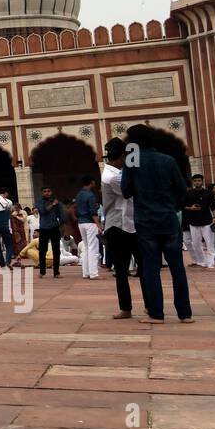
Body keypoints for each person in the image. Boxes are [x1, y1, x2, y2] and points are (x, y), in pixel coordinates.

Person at [120, 125, 192, 323]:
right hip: (168, 219)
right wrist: (172, 207)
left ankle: (156, 313)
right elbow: (182, 190)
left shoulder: (132, 161)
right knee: (177, 267)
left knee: (151, 268)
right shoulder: (167, 160)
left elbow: (125, 191)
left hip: (145, 221)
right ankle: (185, 314)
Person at [100, 139, 138, 319]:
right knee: (122, 270)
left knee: (139, 268)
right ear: (123, 156)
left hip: (128, 224)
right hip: (119, 226)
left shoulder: (114, 172)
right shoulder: (113, 176)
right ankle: (126, 308)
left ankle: (137, 307)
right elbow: (130, 192)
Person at [182, 174, 215, 270]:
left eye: (199, 180)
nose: (197, 182)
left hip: (207, 221)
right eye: (196, 181)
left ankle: (210, 263)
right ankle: (201, 261)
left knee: (209, 243)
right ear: (193, 182)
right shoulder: (189, 193)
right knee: (196, 243)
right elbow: (183, 206)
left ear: (202, 181)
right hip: (193, 222)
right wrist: (191, 208)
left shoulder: (208, 193)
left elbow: (213, 207)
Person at [75, 176, 101, 280]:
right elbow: (93, 212)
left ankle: (85, 272)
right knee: (93, 248)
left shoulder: (79, 194)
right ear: (92, 182)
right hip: (90, 222)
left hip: (81, 222)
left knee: (86, 247)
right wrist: (98, 224)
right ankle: (94, 273)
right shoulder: (90, 195)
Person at [36, 187, 64, 278]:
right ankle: (42, 272)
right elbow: (43, 211)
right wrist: (52, 204)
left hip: (54, 227)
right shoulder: (40, 201)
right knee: (42, 250)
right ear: (42, 193)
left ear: (51, 192)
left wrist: (62, 226)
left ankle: (56, 272)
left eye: (49, 191)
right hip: (44, 228)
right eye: (45, 191)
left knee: (56, 251)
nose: (47, 193)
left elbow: (61, 215)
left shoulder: (56, 202)